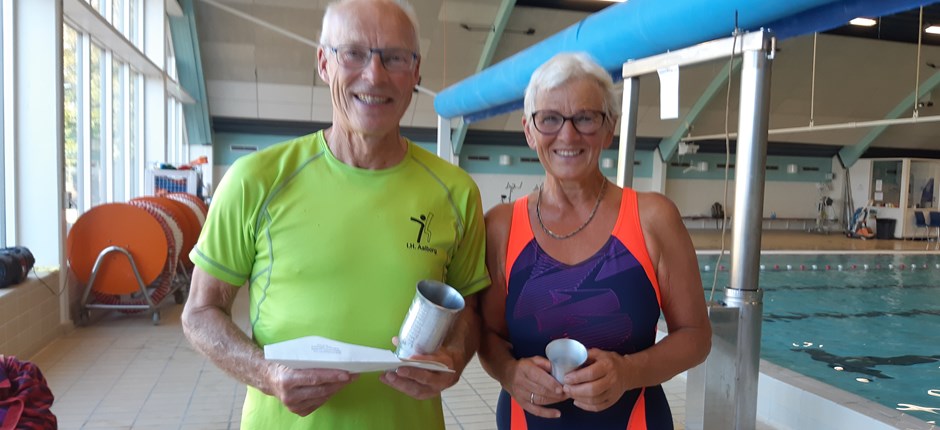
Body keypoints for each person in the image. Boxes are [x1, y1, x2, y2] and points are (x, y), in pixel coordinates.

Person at [180, 0, 489, 428]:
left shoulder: (456, 192)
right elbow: (200, 313)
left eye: (395, 57)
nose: (374, 75)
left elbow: (469, 310)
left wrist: (454, 357)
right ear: (324, 63)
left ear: (416, 74)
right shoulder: (256, 180)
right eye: (354, 53)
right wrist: (266, 374)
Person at [478, 52, 712, 429]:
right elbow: (486, 334)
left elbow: (696, 336)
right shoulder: (501, 227)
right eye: (550, 119)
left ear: (609, 129)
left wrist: (628, 372)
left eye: (585, 118)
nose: (568, 135)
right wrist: (508, 372)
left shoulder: (653, 218)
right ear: (529, 130)